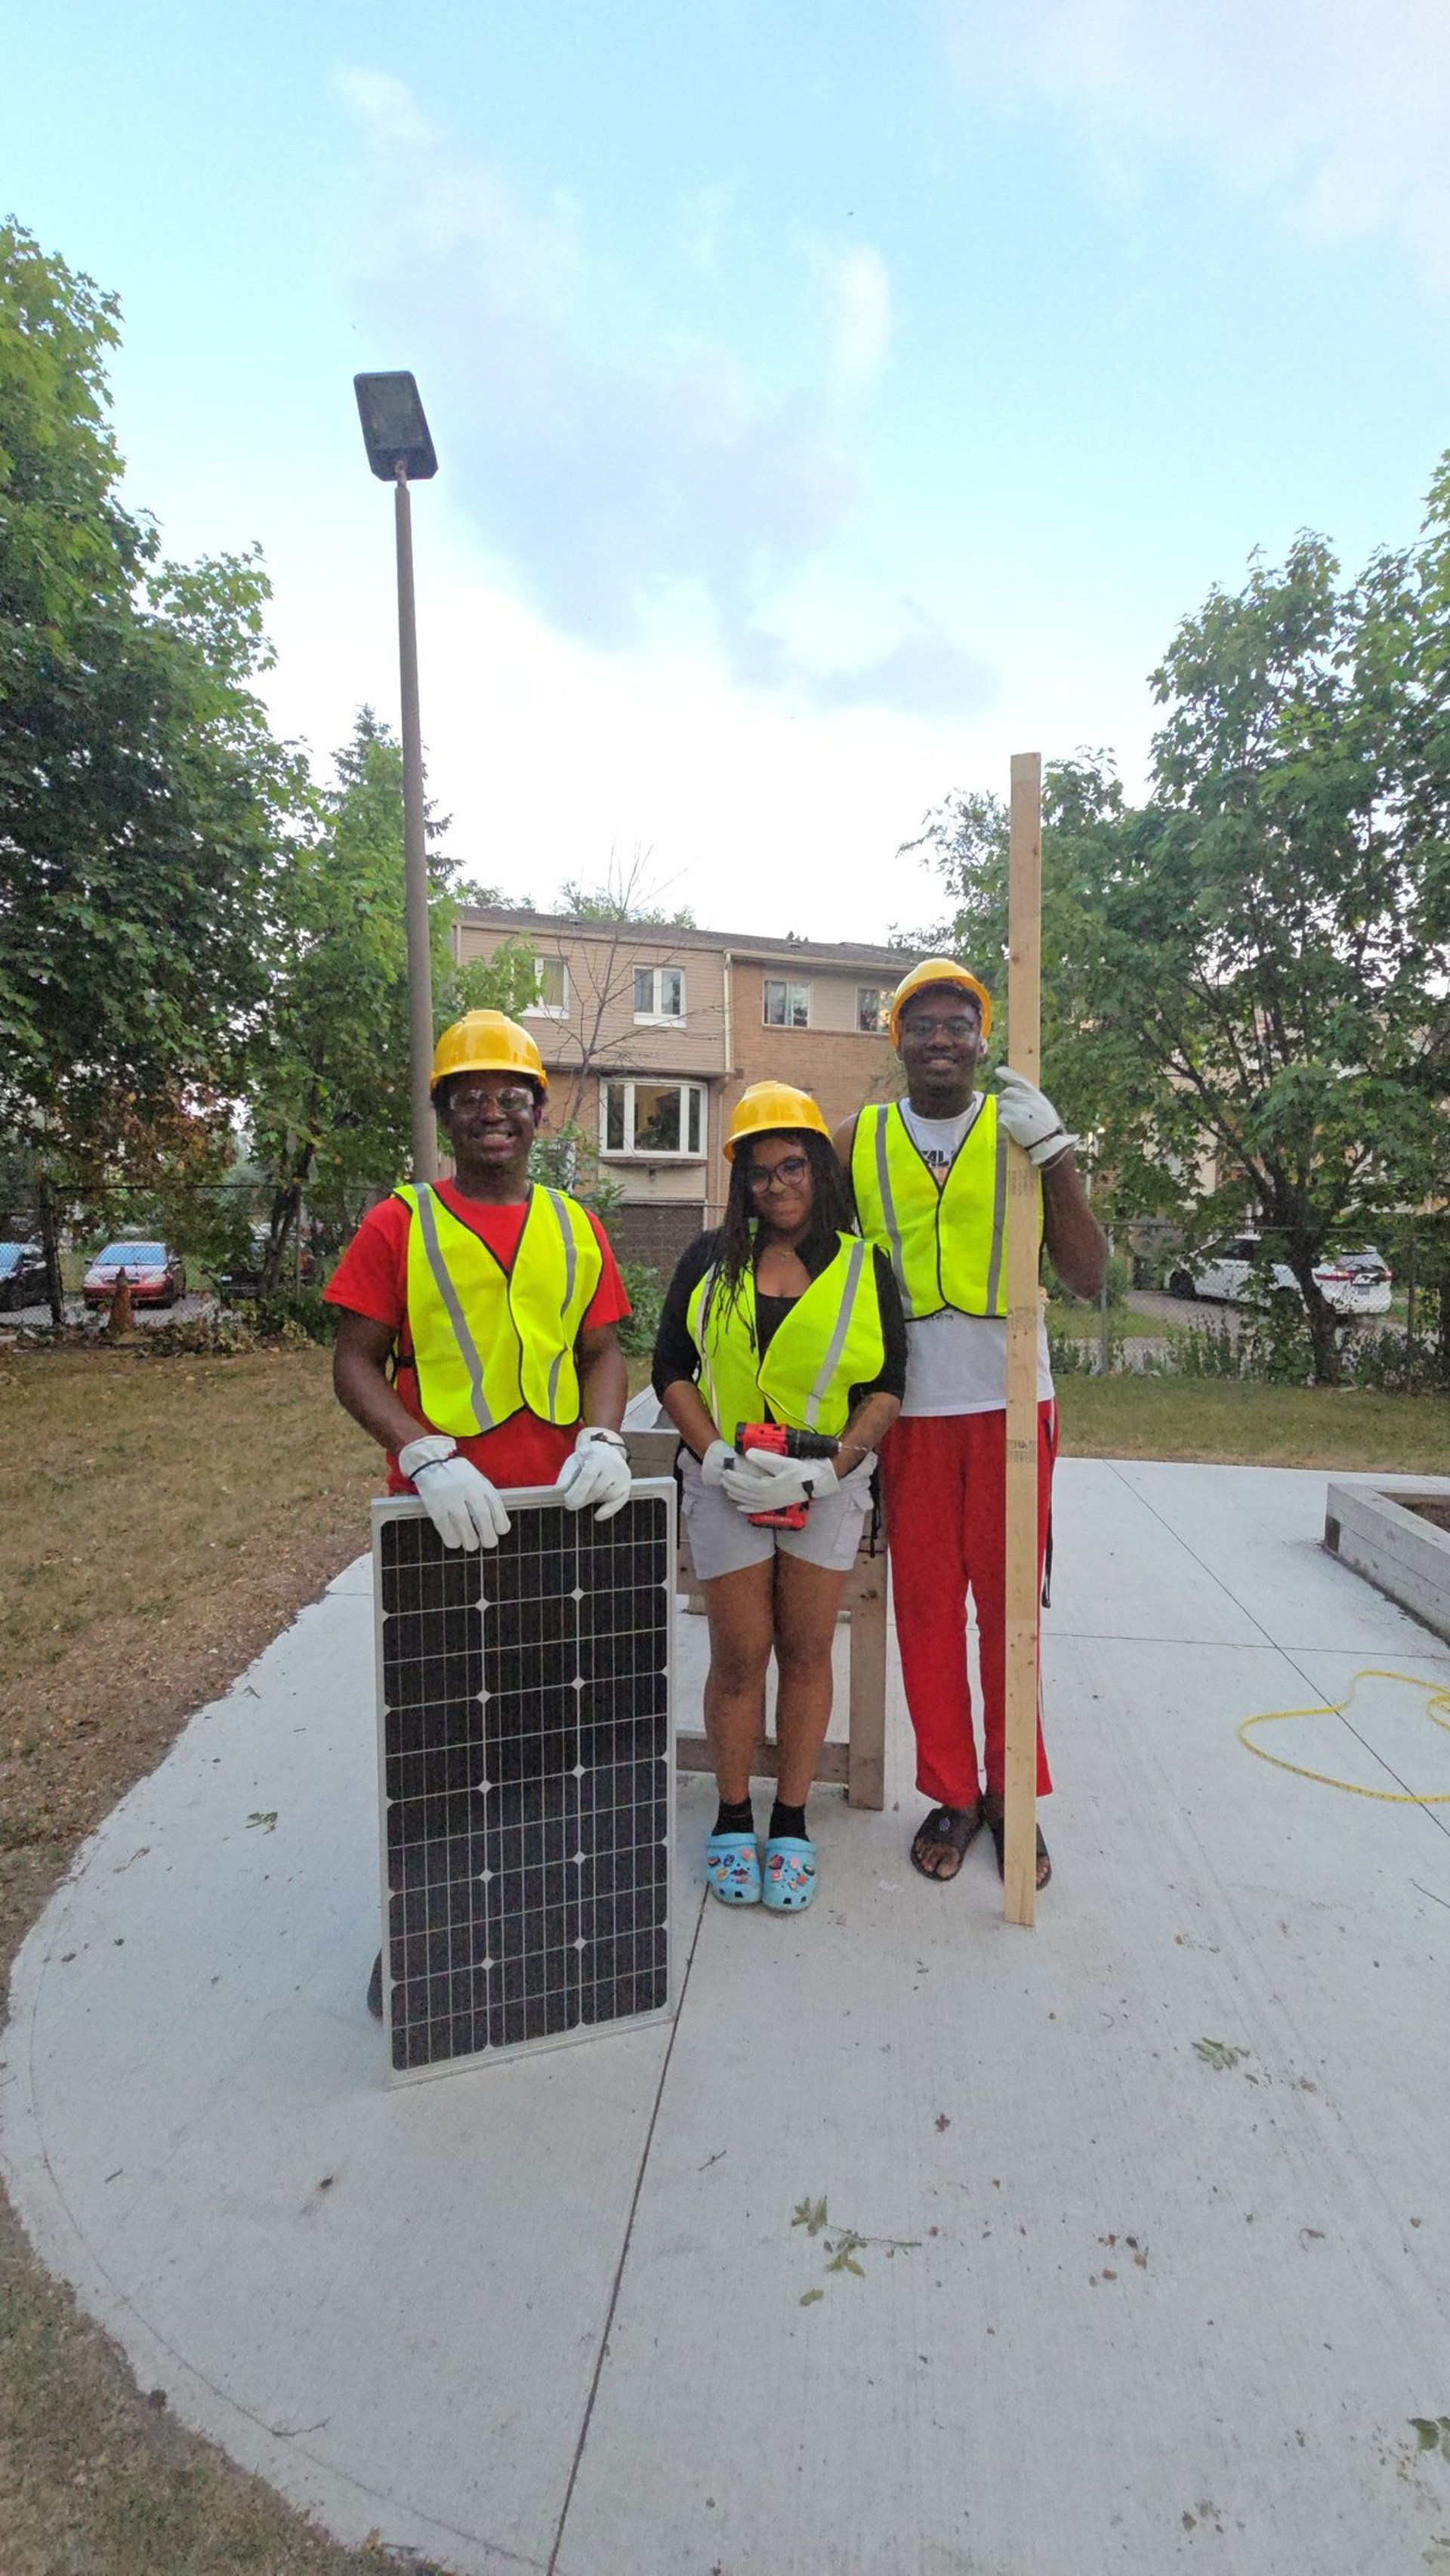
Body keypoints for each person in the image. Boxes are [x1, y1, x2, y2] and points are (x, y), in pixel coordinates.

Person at [325, 1008, 635, 2013]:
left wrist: (602, 1433)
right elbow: (354, 1360)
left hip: (554, 1510)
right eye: (472, 1097)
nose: (493, 1112)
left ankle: (537, 1907)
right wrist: (417, 1448)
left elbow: (602, 1349)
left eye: (512, 1096)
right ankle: (427, 1923)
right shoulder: (398, 1223)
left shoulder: (577, 1224)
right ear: (447, 1115)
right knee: (440, 1732)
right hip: (438, 1518)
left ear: (540, 1113)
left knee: (549, 1716)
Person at [837, 959, 1106, 1892]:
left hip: (1012, 1404)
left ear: (982, 1038)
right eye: (923, 1025)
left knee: (1010, 1612)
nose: (941, 1038)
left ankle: (1013, 1796)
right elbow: (789, 1231)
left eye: (958, 1023)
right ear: (898, 1039)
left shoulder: (1020, 1127)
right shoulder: (860, 1139)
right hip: (905, 1409)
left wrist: (1060, 1154)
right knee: (924, 1611)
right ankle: (950, 1790)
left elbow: (1087, 1274)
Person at [653, 1083, 905, 1912]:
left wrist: (833, 1466)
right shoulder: (705, 1260)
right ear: (742, 1183)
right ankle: (733, 1814)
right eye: (759, 1173)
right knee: (738, 1655)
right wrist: (715, 1454)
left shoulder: (867, 1265)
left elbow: (886, 1387)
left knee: (805, 1652)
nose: (778, 1185)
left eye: (793, 1165)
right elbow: (672, 1372)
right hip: (726, 1483)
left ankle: (790, 1819)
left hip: (825, 1489)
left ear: (818, 1167)